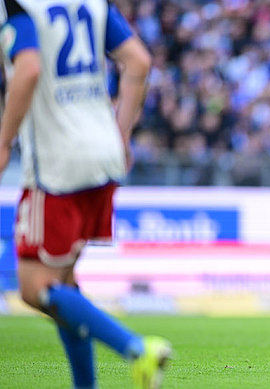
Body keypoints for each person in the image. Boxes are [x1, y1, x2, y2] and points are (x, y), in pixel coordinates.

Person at [0, 1, 170, 388]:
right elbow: (139, 62)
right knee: (63, 282)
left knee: (34, 287)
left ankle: (136, 348)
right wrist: (122, 132)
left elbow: (28, 69)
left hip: (58, 162)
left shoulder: (18, 6)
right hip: (103, 151)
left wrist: (4, 141)